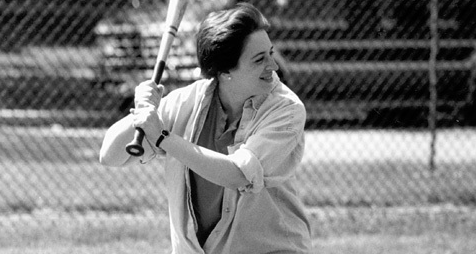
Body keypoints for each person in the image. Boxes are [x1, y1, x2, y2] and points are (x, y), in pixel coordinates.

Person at [100, 3, 312, 253]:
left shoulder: (286, 110)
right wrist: (143, 111)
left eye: (270, 53)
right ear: (225, 71)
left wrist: (164, 139)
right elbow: (109, 155)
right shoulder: (187, 102)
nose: (274, 66)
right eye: (259, 59)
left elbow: (239, 175)